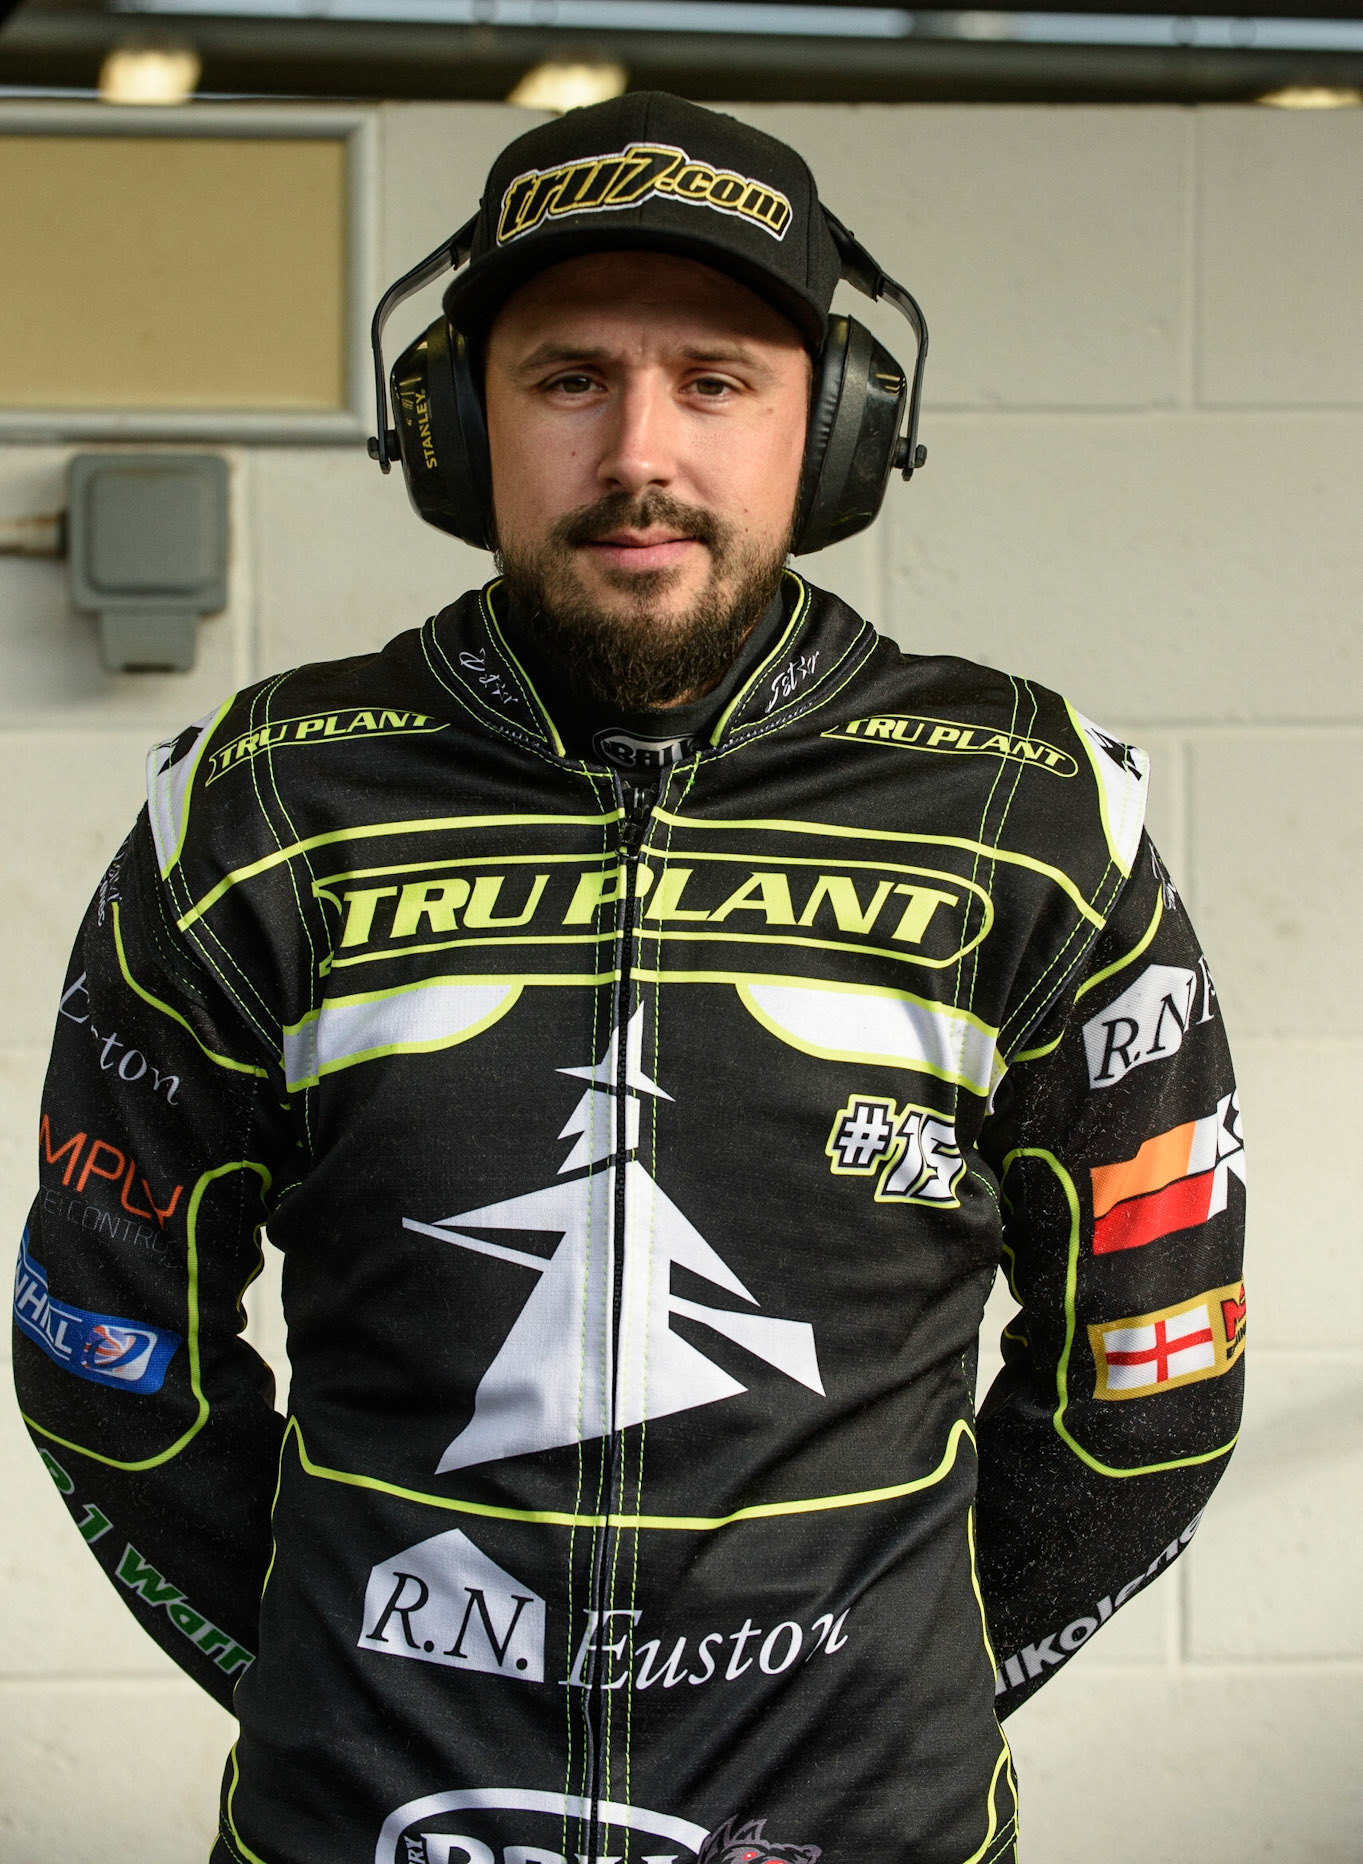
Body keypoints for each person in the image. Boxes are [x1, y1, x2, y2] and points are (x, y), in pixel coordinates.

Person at [13, 93, 1245, 1864]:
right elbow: (108, 1360)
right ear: (456, 426)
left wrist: (912, 1692)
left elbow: (1149, 1378)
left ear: (833, 429)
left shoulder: (1031, 818)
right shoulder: (266, 806)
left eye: (717, 381)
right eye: (569, 376)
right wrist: (324, 1674)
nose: (639, 453)